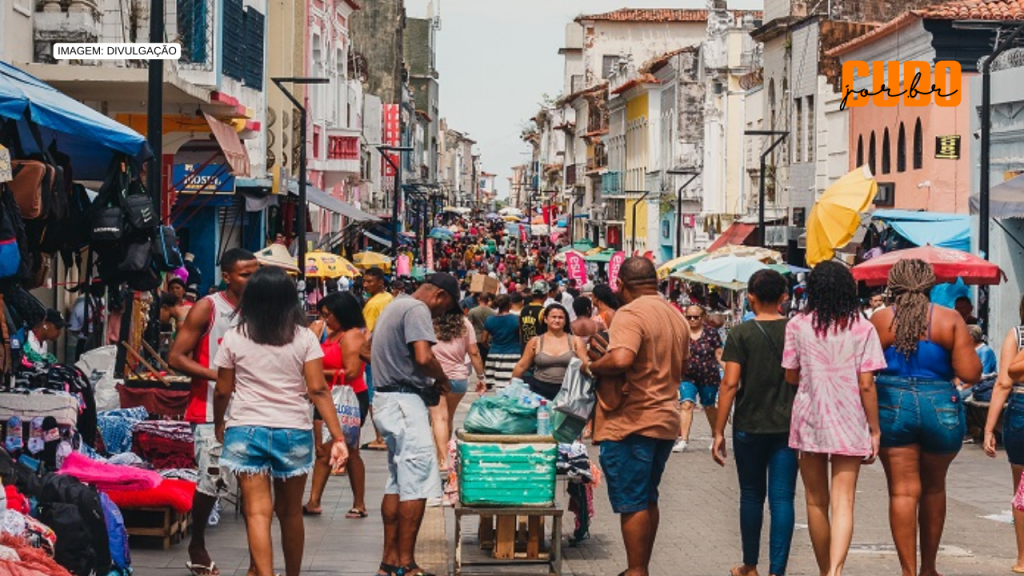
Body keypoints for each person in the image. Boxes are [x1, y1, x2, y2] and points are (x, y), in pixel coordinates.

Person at [212, 267, 347, 576]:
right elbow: (317, 389)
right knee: (290, 514)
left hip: (245, 428)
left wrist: (220, 422)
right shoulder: (304, 339)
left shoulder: (234, 337)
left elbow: (222, 389)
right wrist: (337, 438)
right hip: (293, 430)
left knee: (257, 513)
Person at [869, 259, 980, 576]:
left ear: (894, 286)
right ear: (931, 286)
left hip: (892, 404)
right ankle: (929, 568)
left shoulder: (881, 319)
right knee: (934, 488)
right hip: (940, 405)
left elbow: (864, 370)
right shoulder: (950, 319)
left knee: (902, 491)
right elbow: (971, 372)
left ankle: (908, 571)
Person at [782, 262, 886, 576]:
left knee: (815, 501)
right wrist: (875, 430)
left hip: (810, 418)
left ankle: (823, 568)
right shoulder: (863, 327)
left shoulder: (797, 325)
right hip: (850, 418)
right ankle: (835, 572)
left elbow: (790, 375)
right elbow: (866, 383)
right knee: (844, 502)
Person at [589, 257, 688, 576]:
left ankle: (635, 570)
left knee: (633, 500)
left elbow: (620, 358)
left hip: (632, 421)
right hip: (664, 419)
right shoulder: (675, 315)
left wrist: (593, 365)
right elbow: (682, 368)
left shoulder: (630, 313)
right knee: (648, 497)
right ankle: (640, 566)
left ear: (621, 285)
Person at [169, 248, 259, 576]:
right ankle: (197, 544)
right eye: (245, 274)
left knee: (256, 488)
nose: (252, 280)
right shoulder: (208, 308)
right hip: (209, 410)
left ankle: (257, 562)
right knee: (211, 482)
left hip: (253, 411)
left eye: (255, 273)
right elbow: (176, 357)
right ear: (227, 276)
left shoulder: (262, 309)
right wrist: (219, 375)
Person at [365, 273, 458, 576]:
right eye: (444, 308)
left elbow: (367, 349)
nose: (441, 314)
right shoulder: (417, 309)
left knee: (397, 482)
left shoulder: (394, 305)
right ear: (440, 295)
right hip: (405, 403)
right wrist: (442, 378)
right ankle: (407, 564)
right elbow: (423, 355)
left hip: (386, 400)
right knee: (416, 483)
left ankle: (388, 562)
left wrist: (391, 365)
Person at [712, 269, 797, 576]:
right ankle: (778, 571)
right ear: (784, 298)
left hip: (748, 425)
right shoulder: (794, 330)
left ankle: (750, 565)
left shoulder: (741, 334)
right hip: (787, 426)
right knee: (783, 498)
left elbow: (730, 384)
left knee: (751, 495)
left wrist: (718, 431)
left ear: (750, 297)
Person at [303, 292, 369, 519]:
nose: (325, 319)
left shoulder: (351, 337)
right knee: (322, 451)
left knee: (350, 450)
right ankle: (313, 501)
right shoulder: (332, 334)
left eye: (328, 315)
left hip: (349, 398)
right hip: (328, 397)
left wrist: (316, 372)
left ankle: (359, 503)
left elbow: (352, 372)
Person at [985, 295, 1024, 573]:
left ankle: (1023, 558)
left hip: (1021, 408)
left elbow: (1003, 382)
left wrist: (989, 428)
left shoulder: (1017, 335)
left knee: (1021, 487)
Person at [430, 309, 486, 468]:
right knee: (449, 417)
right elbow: (474, 352)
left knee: (439, 418)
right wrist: (481, 377)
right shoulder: (465, 324)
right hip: (459, 379)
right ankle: (445, 454)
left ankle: (441, 460)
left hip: (436, 377)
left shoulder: (430, 323)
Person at [511, 304, 589, 401]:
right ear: (545, 319)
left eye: (560, 317)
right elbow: (521, 366)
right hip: (539, 392)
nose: (557, 320)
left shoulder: (576, 341)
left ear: (565, 321)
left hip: (568, 392)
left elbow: (585, 364)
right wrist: (511, 388)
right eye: (553, 317)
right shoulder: (535, 341)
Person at [676, 305, 724, 453]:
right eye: (689, 317)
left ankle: (716, 435)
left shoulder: (711, 333)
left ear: (702, 318)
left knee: (708, 406)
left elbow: (719, 354)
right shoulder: (681, 333)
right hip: (687, 376)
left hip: (708, 375)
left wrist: (728, 371)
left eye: (695, 317)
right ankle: (683, 440)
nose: (692, 320)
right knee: (686, 404)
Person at [362, 266, 393, 452]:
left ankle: (380, 437)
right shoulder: (389, 298)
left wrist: (360, 355)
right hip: (388, 354)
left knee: (373, 396)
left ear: (380, 282)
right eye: (364, 281)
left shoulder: (373, 305)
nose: (365, 285)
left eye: (369, 281)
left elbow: (368, 332)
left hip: (374, 355)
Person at [482, 295, 521, 391]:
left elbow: (483, 340)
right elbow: (521, 337)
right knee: (512, 386)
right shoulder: (517, 319)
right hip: (513, 354)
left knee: (498, 387)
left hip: (494, 354)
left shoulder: (490, 320)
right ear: (510, 304)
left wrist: (489, 347)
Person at [961, 324, 997, 401]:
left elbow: (982, 376)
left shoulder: (985, 351)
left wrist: (962, 387)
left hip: (980, 387)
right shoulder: (970, 350)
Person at [467, 293, 495, 362]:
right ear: (488, 300)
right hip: (489, 339)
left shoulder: (472, 311)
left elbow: (469, 326)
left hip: (477, 338)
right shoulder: (493, 312)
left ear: (478, 299)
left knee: (478, 359)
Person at [519, 281, 548, 348]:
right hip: (539, 349)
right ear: (546, 295)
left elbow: (520, 332)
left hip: (525, 348)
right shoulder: (544, 311)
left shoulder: (523, 310)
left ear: (532, 294)